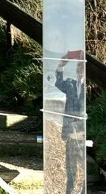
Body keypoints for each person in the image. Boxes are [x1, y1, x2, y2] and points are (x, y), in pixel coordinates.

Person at [55, 59, 86, 194]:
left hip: (84, 133)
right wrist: (60, 66)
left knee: (85, 166)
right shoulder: (70, 84)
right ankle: (70, 191)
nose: (80, 71)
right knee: (71, 166)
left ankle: (84, 190)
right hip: (70, 133)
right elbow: (58, 83)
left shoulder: (91, 88)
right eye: (79, 68)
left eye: (82, 68)